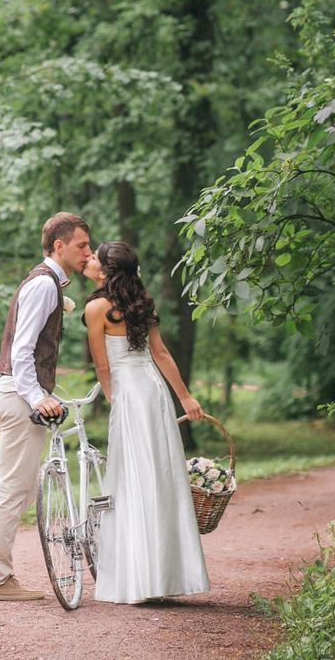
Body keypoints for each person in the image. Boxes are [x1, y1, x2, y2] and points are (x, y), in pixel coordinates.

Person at [0, 212, 93, 602]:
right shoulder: (44, 286)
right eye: (81, 245)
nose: (87, 252)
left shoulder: (48, 283)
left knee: (15, 488)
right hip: (18, 397)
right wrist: (39, 397)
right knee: (13, 491)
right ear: (59, 246)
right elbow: (22, 350)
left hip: (12, 394)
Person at [82, 240, 210, 604]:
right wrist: (184, 396)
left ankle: (139, 578)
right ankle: (165, 575)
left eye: (94, 258)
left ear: (106, 271)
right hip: (154, 391)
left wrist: (112, 397)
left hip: (128, 393)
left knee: (132, 478)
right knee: (160, 475)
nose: (89, 261)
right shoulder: (141, 302)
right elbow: (161, 353)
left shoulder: (96, 307)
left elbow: (102, 365)